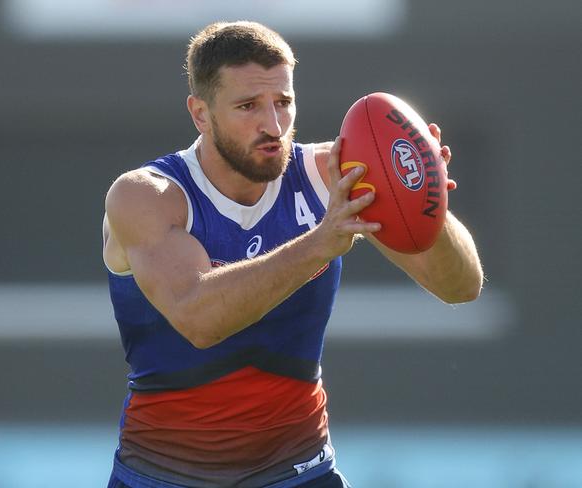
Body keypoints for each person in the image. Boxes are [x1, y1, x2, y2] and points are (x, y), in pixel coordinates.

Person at [102, 20, 483, 488]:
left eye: (283, 102)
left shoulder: (331, 175)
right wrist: (317, 244)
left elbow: (461, 287)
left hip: (300, 473)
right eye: (248, 106)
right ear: (200, 113)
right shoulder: (148, 196)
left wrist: (425, 203)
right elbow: (197, 317)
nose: (273, 125)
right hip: (162, 476)